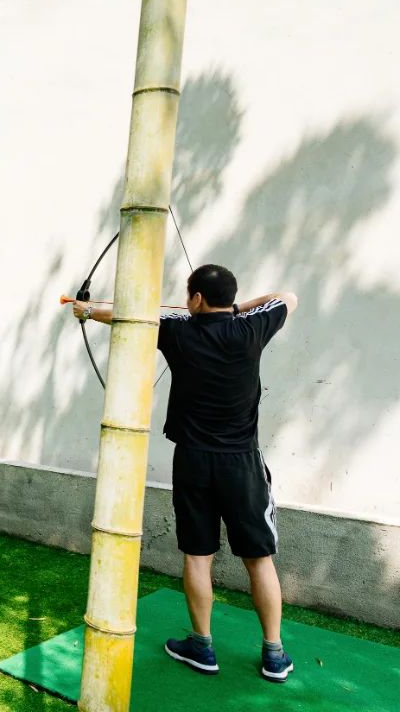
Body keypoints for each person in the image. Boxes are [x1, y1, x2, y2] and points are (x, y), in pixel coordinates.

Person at [71, 264, 298, 683]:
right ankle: (274, 654)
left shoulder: (179, 331)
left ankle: (202, 645)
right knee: (258, 558)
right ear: (228, 299)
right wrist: (237, 310)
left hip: (193, 461)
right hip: (241, 464)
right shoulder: (252, 329)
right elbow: (287, 297)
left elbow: (127, 316)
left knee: (198, 554)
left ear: (195, 299)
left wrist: (84, 312)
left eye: (189, 295)